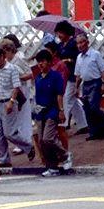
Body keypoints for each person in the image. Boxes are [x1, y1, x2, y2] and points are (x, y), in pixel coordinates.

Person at [0, 46, 34, 167]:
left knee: (9, 133)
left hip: (8, 102)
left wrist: (12, 101)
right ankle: (3, 159)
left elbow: (16, 86)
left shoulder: (12, 69)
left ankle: (28, 146)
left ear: (3, 57)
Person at [33, 49, 71, 177]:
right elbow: (37, 97)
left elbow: (59, 95)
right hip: (40, 112)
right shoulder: (38, 78)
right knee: (42, 142)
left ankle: (65, 154)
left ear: (49, 62)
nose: (40, 64)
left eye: (43, 61)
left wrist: (61, 110)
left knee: (48, 138)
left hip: (52, 110)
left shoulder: (56, 76)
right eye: (38, 62)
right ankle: (52, 166)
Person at [0, 37, 34, 157]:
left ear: (9, 50)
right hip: (13, 89)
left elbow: (30, 73)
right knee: (16, 117)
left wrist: (18, 78)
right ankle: (21, 142)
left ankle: (26, 141)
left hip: (22, 89)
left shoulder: (19, 59)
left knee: (23, 116)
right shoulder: (8, 62)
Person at [54, 21, 88, 134]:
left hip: (73, 75)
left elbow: (78, 58)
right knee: (73, 101)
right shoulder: (59, 46)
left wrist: (67, 60)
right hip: (64, 76)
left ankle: (62, 125)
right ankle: (83, 124)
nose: (59, 35)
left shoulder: (74, 44)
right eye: (58, 33)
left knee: (67, 99)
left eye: (61, 33)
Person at [74, 33, 104, 114]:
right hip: (85, 85)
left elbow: (103, 70)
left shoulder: (95, 54)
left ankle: (102, 124)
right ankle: (96, 125)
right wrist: (76, 88)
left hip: (95, 83)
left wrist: (103, 84)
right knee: (87, 107)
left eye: (81, 42)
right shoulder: (79, 57)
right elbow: (78, 75)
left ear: (87, 42)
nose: (79, 45)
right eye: (78, 43)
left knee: (93, 107)